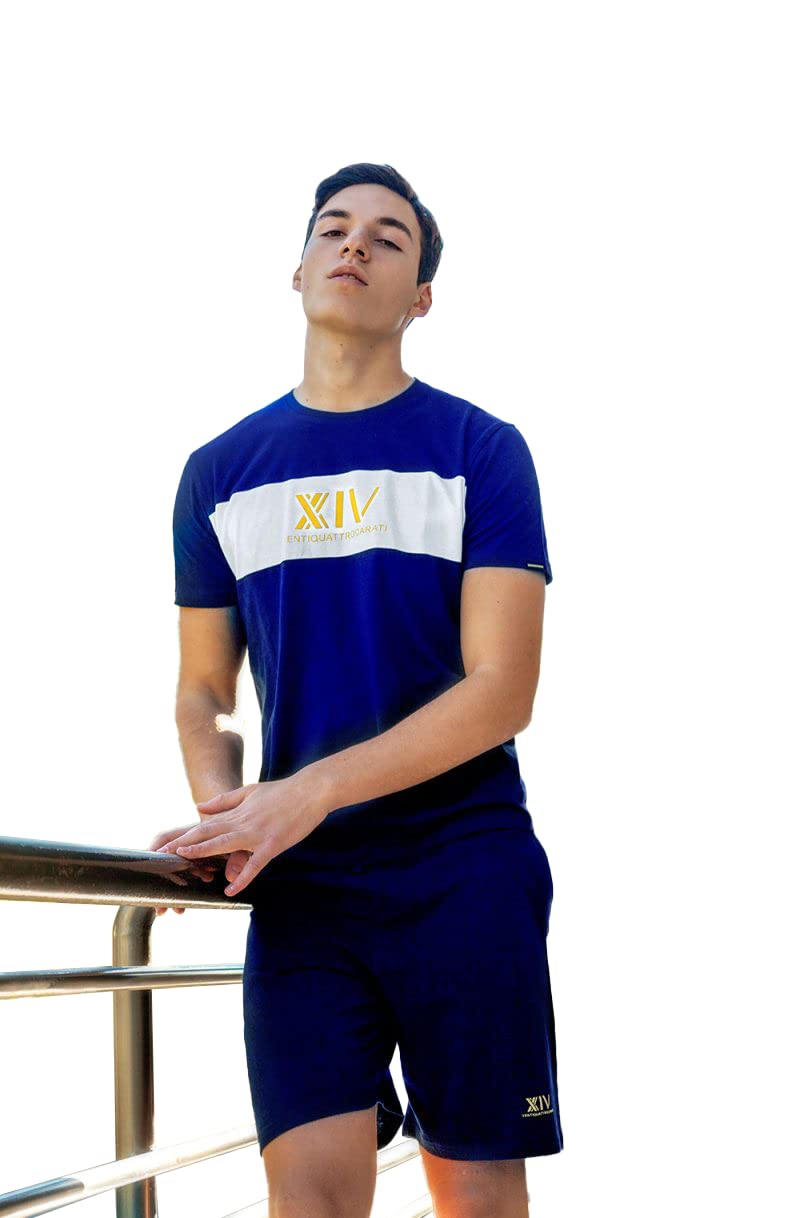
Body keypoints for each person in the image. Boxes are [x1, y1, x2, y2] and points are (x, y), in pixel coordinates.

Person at [150, 161, 563, 1218]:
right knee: (310, 1201)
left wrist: (306, 792)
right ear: (297, 271)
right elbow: (205, 692)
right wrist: (227, 810)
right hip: (305, 886)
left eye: (388, 236)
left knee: (474, 1195)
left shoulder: (479, 450)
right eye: (332, 229)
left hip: (462, 865)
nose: (355, 245)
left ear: (420, 296)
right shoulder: (218, 471)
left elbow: (501, 690)